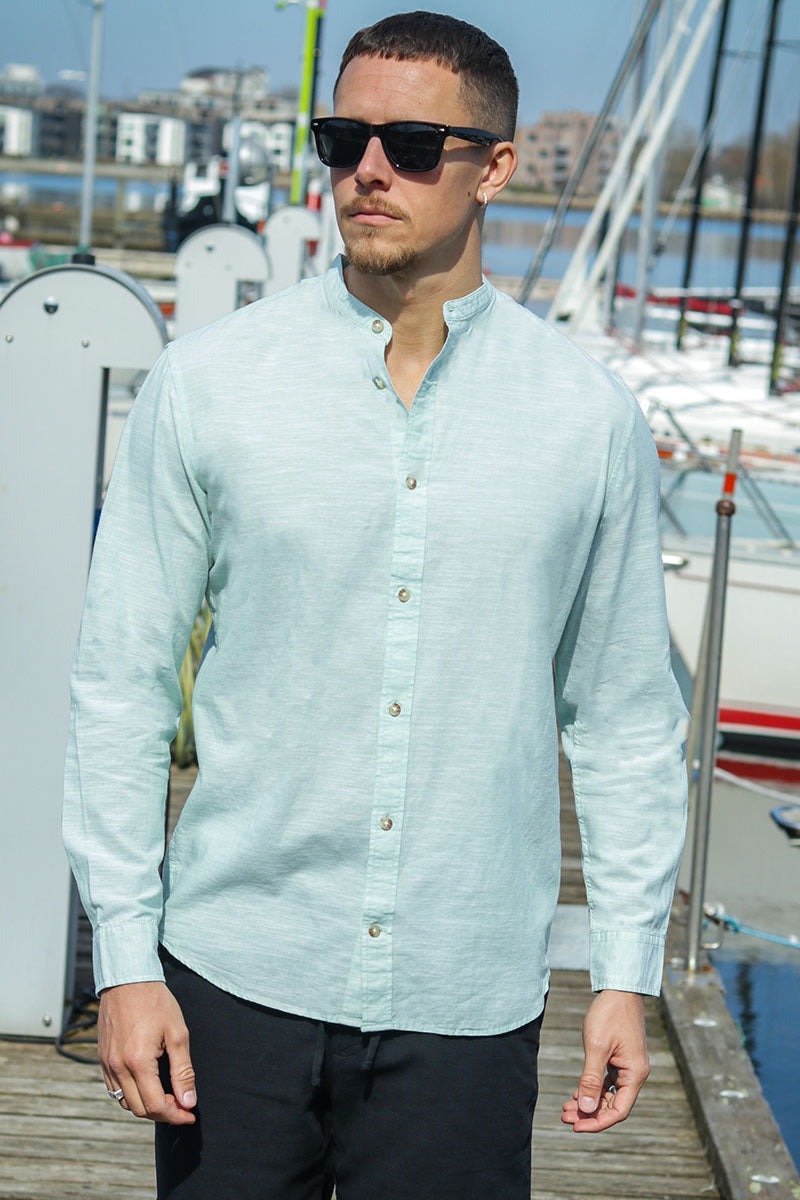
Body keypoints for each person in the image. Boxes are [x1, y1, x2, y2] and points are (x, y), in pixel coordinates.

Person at [62, 11, 688, 1198]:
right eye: (341, 137)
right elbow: (120, 686)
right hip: (233, 975)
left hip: (465, 990)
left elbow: (621, 717)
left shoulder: (585, 419)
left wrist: (624, 971)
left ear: (493, 168)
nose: (366, 170)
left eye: (408, 144)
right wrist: (125, 958)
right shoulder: (211, 384)